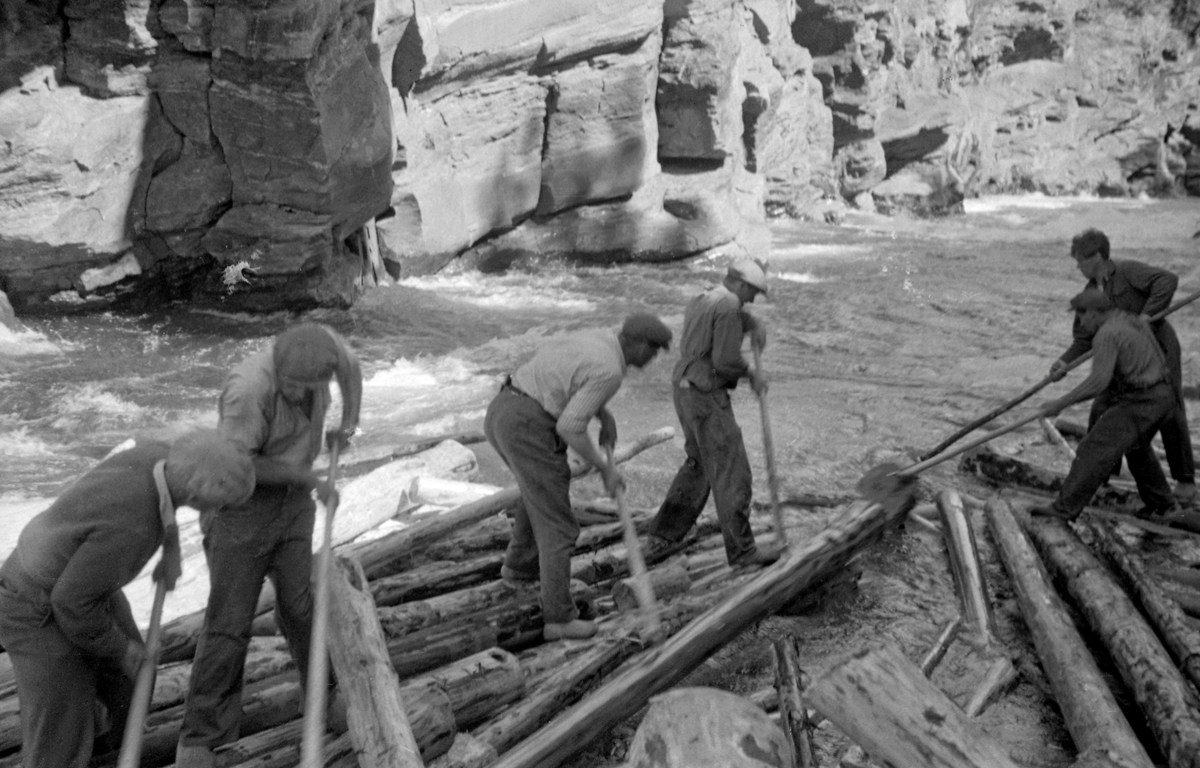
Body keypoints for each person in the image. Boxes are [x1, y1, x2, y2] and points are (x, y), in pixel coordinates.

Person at [0, 428, 255, 768]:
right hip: (33, 606)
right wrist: (121, 649)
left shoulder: (163, 456)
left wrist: (172, 547)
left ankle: (112, 754)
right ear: (195, 489)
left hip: (79, 577)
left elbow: (163, 489)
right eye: (221, 503)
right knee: (60, 736)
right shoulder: (134, 526)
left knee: (133, 678)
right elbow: (72, 604)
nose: (220, 510)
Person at [175, 323, 362, 768]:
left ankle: (322, 697)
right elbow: (236, 466)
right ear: (279, 373)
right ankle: (202, 736)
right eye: (296, 389)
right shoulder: (247, 390)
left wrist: (347, 425)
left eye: (312, 390)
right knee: (229, 620)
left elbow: (351, 370)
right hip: (241, 507)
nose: (303, 397)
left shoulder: (327, 350)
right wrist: (307, 478)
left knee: (300, 604)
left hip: (294, 503)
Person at [484, 312, 673, 641]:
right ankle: (558, 618)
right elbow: (569, 426)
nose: (653, 359)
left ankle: (520, 571)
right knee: (559, 525)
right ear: (639, 344)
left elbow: (570, 375)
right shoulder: (610, 370)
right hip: (528, 425)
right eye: (654, 351)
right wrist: (605, 468)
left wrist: (603, 412)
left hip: (502, 410)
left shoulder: (600, 339)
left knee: (539, 496)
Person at [645, 257, 780, 568]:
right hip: (706, 395)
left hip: (684, 390)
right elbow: (724, 361)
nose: (752, 301)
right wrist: (752, 374)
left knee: (700, 465)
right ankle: (743, 552)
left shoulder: (704, 297)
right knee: (733, 471)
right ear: (742, 285)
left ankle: (664, 535)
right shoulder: (730, 304)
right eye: (753, 294)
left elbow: (721, 325)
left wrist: (752, 324)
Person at [1049, 228, 1195, 502]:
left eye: (1080, 260)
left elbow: (1167, 280)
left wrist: (1147, 315)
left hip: (1158, 347)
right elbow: (1084, 337)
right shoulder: (1090, 293)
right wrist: (1063, 363)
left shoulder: (1127, 272)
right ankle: (1103, 476)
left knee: (1171, 410)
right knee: (1103, 407)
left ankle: (1185, 480)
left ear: (1098, 256)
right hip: (1121, 358)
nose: (1078, 266)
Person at [1031, 289, 1177, 522]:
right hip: (1164, 394)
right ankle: (1163, 506)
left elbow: (1098, 382)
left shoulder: (1106, 334)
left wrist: (1060, 403)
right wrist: (1065, 363)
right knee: (1136, 447)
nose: (1079, 320)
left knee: (1094, 447)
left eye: (1082, 314)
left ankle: (1064, 509)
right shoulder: (1129, 319)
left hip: (1145, 399)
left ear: (1098, 313)